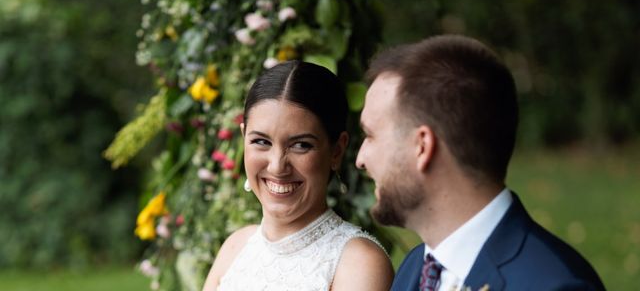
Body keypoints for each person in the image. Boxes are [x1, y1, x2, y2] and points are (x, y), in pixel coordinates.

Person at [356, 35, 606, 291]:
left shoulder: (556, 285)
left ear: (422, 146)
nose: (360, 159)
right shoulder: (415, 268)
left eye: (370, 136)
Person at [203, 60, 393, 291]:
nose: (276, 166)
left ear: (336, 151)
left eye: (301, 145)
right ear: (244, 139)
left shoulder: (358, 263)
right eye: (261, 142)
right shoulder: (236, 247)